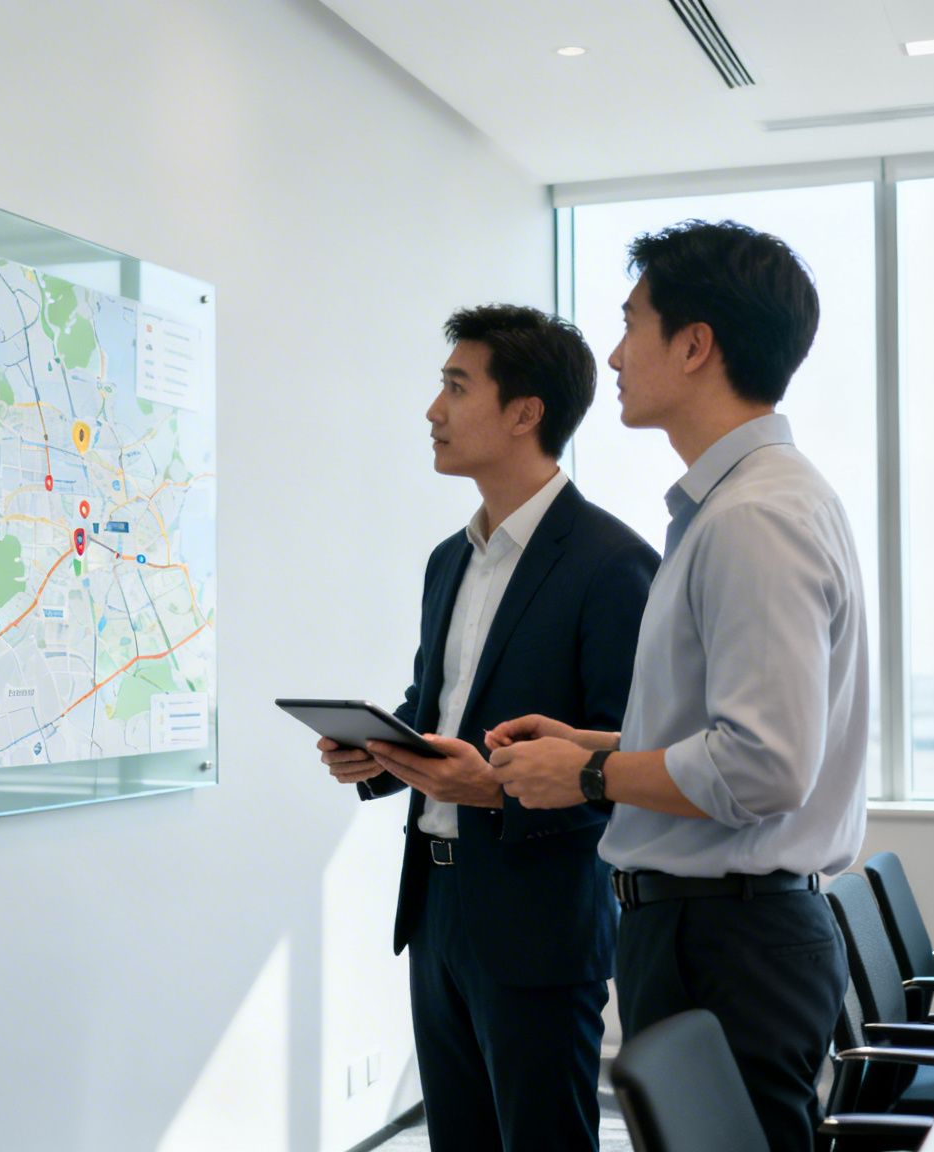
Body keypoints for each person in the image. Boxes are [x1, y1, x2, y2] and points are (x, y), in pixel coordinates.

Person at [485, 221, 869, 1152]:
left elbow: (762, 768)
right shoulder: (743, 506)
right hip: (716, 934)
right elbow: (728, 733)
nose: (613, 356)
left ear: (695, 344)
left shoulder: (754, 517)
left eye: (631, 325)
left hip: (728, 944)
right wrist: (598, 748)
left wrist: (585, 781)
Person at [318, 304, 657, 1152]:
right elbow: (440, 713)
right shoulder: (448, 559)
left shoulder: (613, 564)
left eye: (454, 387)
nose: (433, 411)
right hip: (435, 903)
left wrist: (496, 793)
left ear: (525, 413)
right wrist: (381, 756)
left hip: (539, 919)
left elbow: (634, 767)